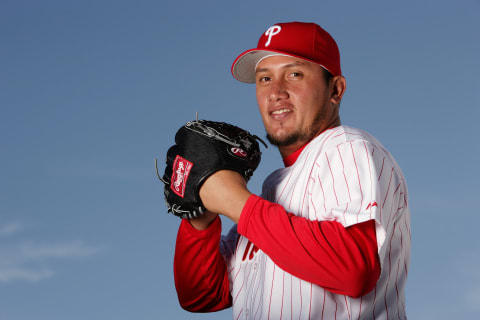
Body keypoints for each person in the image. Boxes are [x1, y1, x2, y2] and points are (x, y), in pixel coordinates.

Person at [173, 21, 411, 319]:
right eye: (264, 79)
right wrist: (202, 218)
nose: (275, 92)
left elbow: (354, 271)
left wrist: (234, 202)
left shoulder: (346, 146)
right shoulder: (272, 190)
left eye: (294, 74)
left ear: (335, 89)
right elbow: (203, 295)